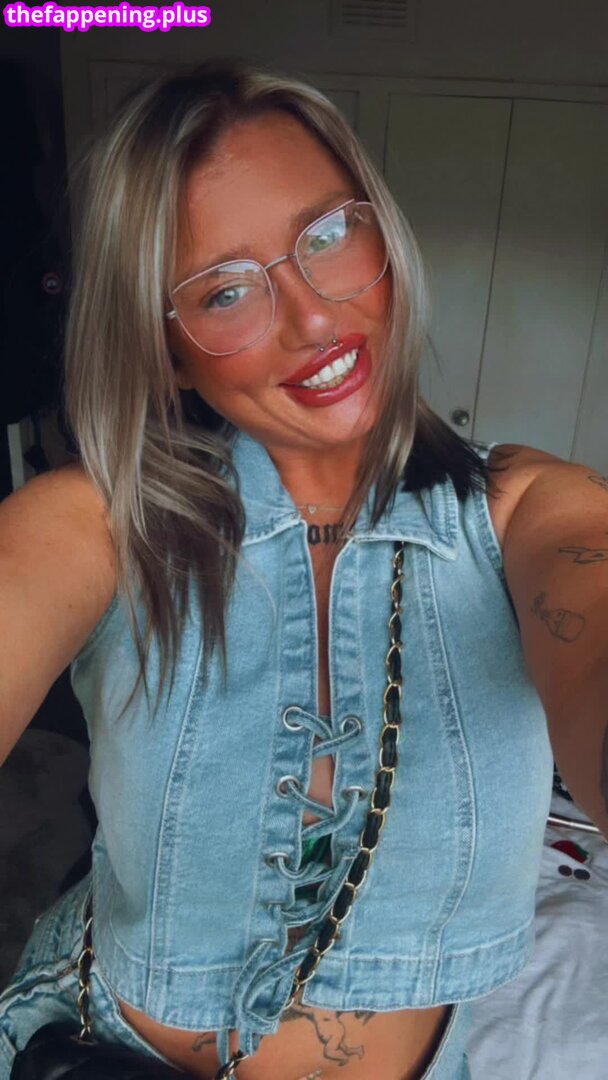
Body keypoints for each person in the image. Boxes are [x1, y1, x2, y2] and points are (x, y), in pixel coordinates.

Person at [0, 58, 607, 1080]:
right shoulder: (102, 522)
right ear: (167, 348)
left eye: (326, 234)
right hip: (100, 1054)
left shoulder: (523, 509)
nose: (314, 317)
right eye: (225, 290)